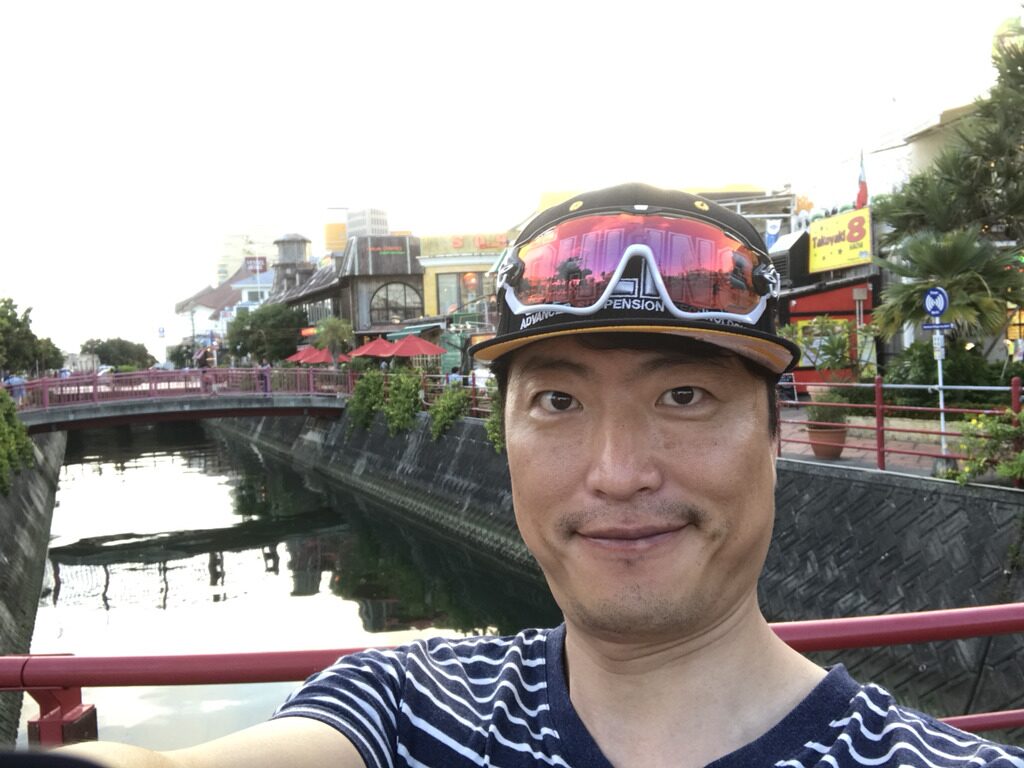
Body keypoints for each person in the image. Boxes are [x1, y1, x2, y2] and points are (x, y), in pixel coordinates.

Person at [58, 184, 1024, 766]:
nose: (618, 473)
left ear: (777, 432)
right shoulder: (407, 712)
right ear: (503, 436)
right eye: (559, 401)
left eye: (684, 396)